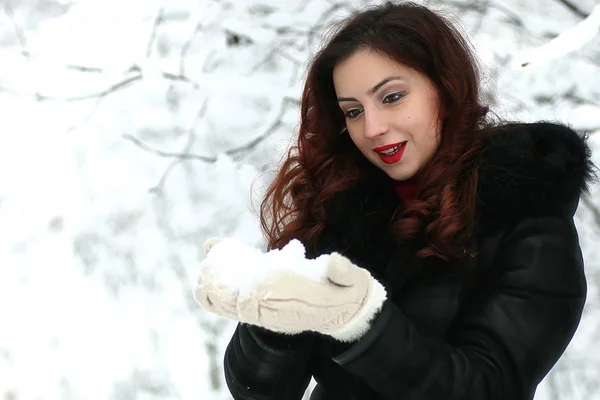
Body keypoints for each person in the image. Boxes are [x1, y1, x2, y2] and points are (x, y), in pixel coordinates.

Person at [194, 1, 596, 399]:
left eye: (391, 98)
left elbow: (488, 386)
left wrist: (360, 321)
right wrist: (270, 315)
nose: (371, 128)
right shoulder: (343, 211)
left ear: (446, 87)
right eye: (352, 112)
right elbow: (259, 391)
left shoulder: (528, 222)